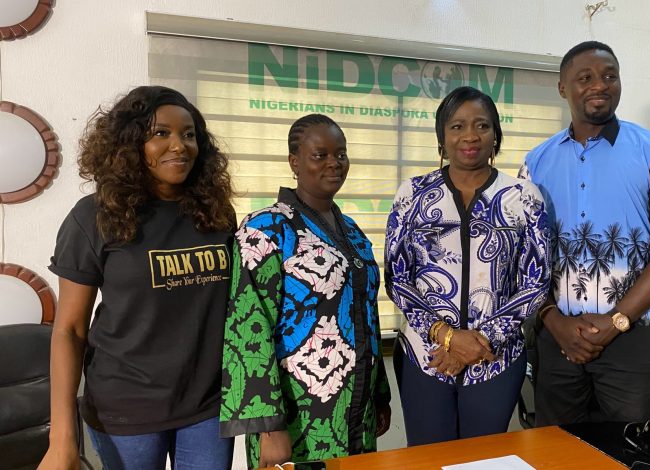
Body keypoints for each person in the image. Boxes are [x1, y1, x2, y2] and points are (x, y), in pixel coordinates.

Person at [40, 86, 236, 469]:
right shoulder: (94, 216)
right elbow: (70, 331)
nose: (179, 146)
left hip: (207, 406)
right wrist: (62, 437)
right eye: (160, 133)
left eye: (189, 134)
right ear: (130, 143)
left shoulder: (216, 214)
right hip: (125, 412)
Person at [518, 41, 650, 426]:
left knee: (631, 454)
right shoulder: (534, 164)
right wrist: (555, 323)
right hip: (557, 340)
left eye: (610, 76)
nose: (600, 85)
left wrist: (615, 321)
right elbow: (525, 261)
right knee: (557, 454)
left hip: (632, 340)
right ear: (563, 88)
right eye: (585, 77)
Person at [220, 114, 391, 468]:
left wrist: (379, 394)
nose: (334, 163)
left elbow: (367, 316)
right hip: (296, 416)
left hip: (356, 411)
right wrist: (269, 427)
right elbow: (248, 330)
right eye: (320, 155)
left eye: (341, 154)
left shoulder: (353, 231)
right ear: (294, 162)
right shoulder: (264, 230)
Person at [385, 86, 550, 445]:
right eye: (457, 126)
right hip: (425, 357)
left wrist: (481, 340)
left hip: (495, 359)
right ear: (442, 136)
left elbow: (536, 283)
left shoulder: (523, 197)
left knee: (483, 460)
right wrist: (447, 336)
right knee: (427, 459)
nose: (470, 136)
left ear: (496, 136)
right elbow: (397, 278)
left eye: (482, 126)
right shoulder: (411, 194)